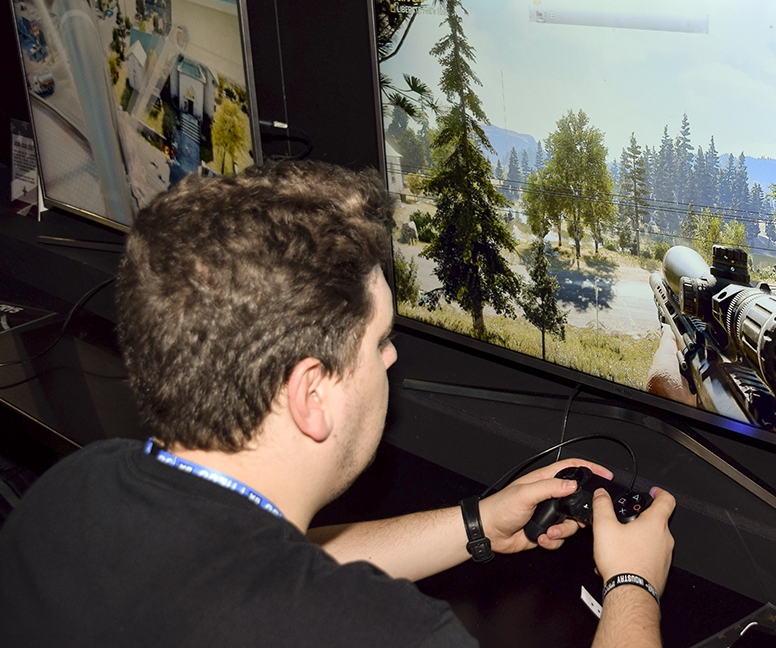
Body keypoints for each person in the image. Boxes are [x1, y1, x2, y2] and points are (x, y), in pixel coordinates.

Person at [0, 160, 675, 647]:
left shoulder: (71, 492)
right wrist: (632, 586)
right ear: (311, 394)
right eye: (379, 341)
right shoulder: (384, 633)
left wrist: (478, 525)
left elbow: (271, 566)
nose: (392, 360)